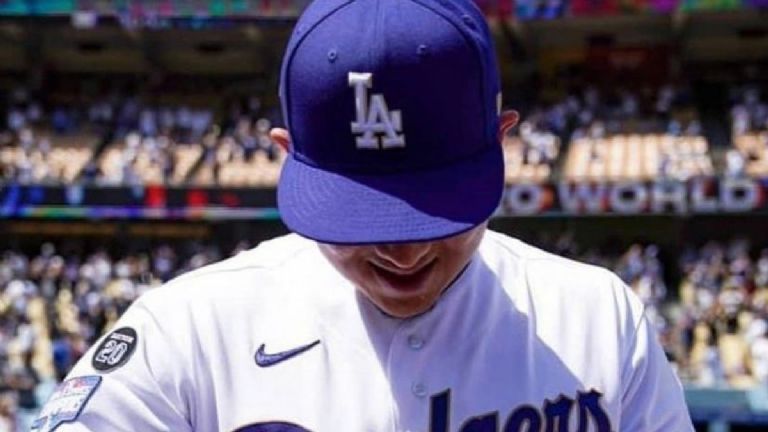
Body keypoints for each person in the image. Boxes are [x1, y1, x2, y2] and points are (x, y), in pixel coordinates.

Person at [33, 0, 694, 431]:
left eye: (435, 210)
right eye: (358, 218)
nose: (403, 253)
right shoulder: (186, 332)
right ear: (285, 155)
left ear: (502, 142)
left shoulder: (599, 320)